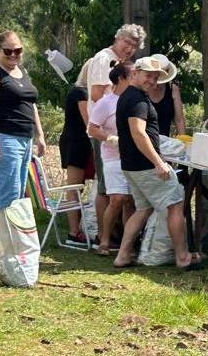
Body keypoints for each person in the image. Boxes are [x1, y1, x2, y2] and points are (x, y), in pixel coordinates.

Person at [112, 56, 203, 271]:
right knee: (175, 204)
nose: (152, 81)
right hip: (146, 166)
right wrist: (159, 162)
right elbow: (139, 134)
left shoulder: (128, 96)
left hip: (132, 165)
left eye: (155, 77)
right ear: (135, 73)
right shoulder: (137, 100)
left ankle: (122, 256)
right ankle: (183, 257)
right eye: (148, 76)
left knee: (143, 209)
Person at [84, 24, 145, 242]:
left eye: (134, 46)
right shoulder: (105, 58)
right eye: (126, 42)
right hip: (104, 131)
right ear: (117, 38)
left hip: (119, 132)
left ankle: (120, 236)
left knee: (122, 190)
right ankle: (103, 236)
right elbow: (97, 93)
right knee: (105, 188)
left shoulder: (122, 63)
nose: (129, 48)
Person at [0, 30, 47, 210]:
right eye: (8, 51)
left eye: (18, 50)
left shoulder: (22, 71)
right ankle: (4, 228)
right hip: (5, 138)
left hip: (25, 139)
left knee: (20, 193)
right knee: (9, 194)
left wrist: (39, 135)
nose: (13, 54)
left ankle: (11, 228)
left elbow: (31, 105)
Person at [87, 61, 135, 256]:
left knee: (130, 201)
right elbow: (92, 129)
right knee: (116, 199)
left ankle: (127, 245)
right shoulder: (106, 102)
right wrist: (110, 139)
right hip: (113, 157)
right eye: (132, 75)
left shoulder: (136, 100)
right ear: (121, 78)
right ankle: (104, 241)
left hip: (132, 157)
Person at [57, 61, 95, 246]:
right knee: (74, 188)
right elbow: (89, 121)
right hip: (76, 143)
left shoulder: (82, 91)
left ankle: (78, 229)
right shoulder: (81, 92)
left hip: (80, 143)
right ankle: (73, 233)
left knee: (77, 188)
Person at [145, 53, 186, 137]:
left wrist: (183, 140)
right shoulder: (142, 89)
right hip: (142, 139)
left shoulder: (173, 89)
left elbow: (179, 120)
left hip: (165, 140)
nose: (155, 85)